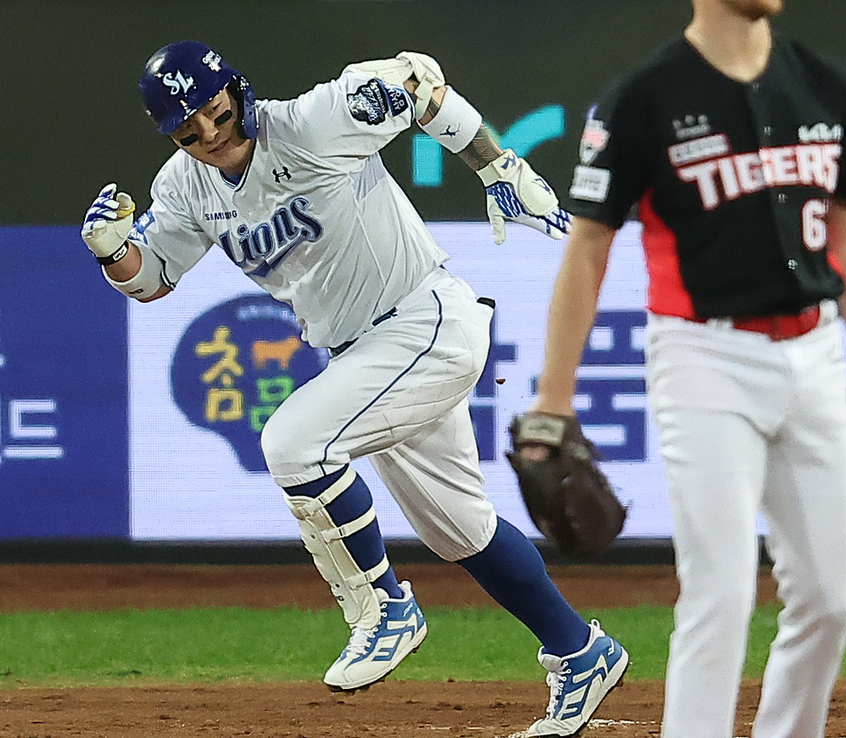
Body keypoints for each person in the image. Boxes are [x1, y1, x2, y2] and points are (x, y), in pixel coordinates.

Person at [79, 42, 628, 734]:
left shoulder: (311, 122)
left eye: (216, 112)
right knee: (463, 531)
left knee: (294, 445)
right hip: (364, 355)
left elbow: (414, 80)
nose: (211, 134)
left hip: (423, 319)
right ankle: (581, 652)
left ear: (237, 91)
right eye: (189, 130)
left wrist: (497, 164)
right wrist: (111, 252)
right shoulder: (184, 187)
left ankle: (384, 609)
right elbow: (153, 278)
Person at [523, 0, 846, 738]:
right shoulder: (645, 99)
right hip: (705, 358)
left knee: (828, 599)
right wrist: (553, 399)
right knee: (723, 588)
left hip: (813, 355)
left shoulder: (821, 84)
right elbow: (588, 248)